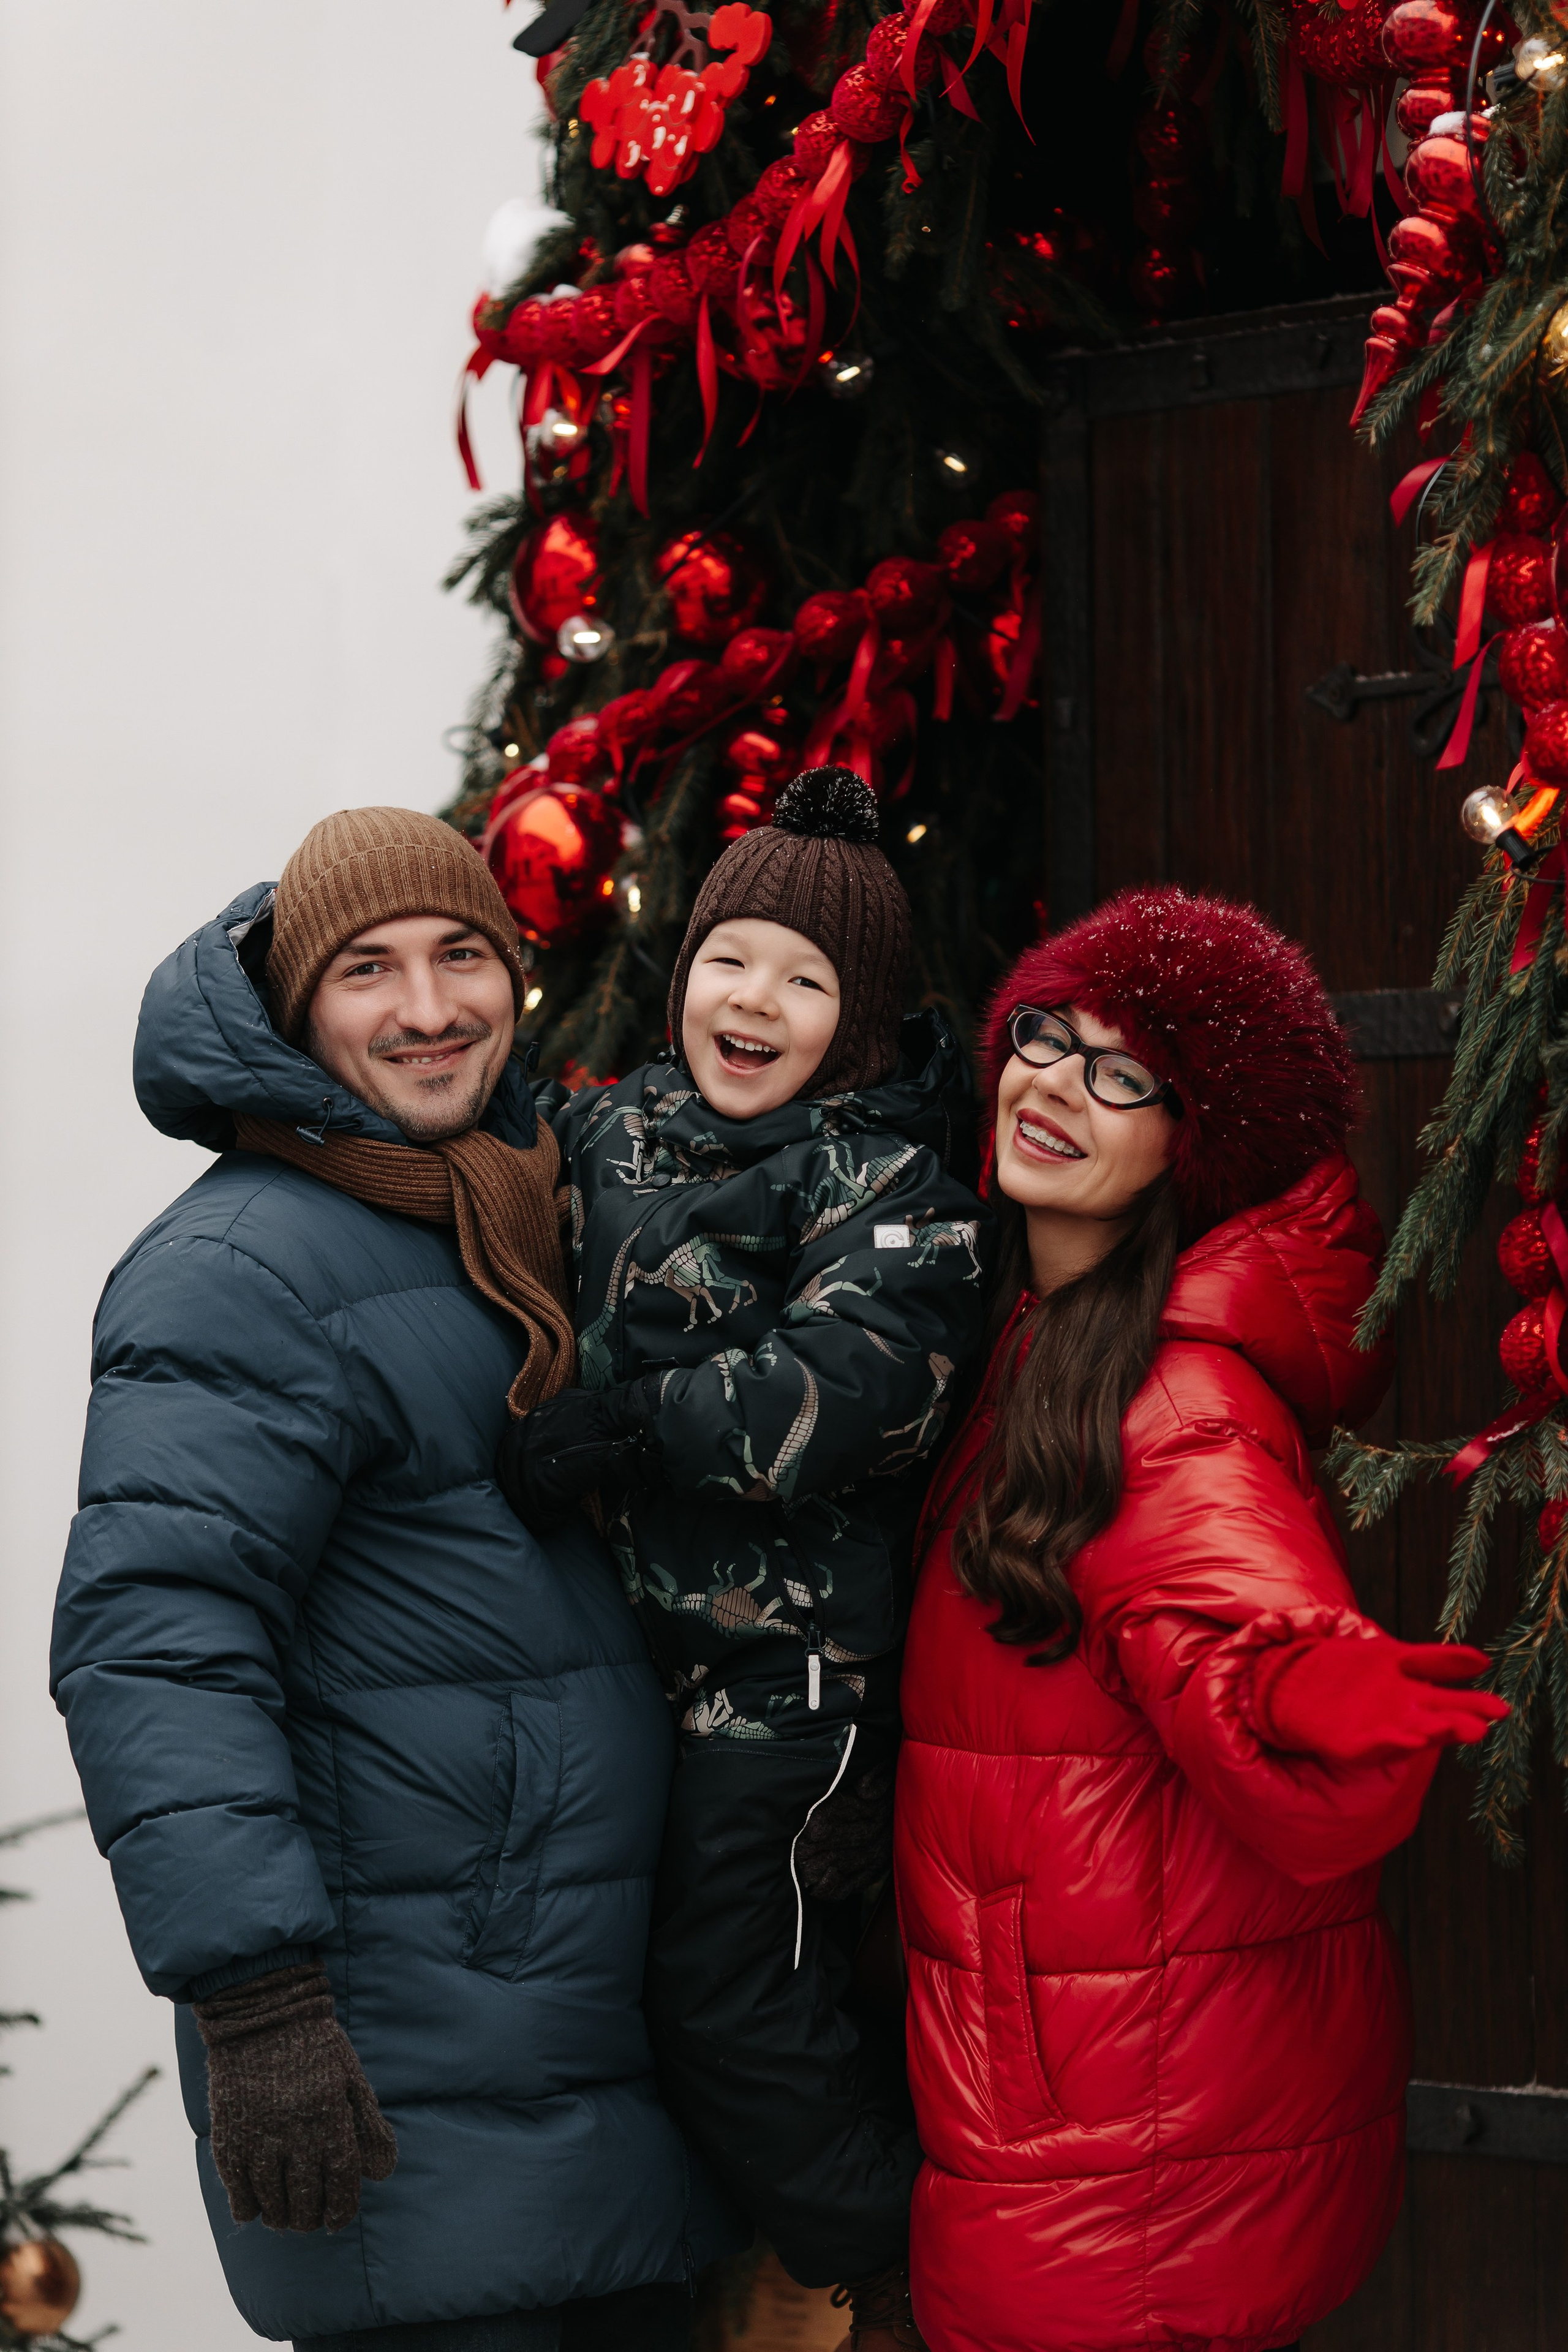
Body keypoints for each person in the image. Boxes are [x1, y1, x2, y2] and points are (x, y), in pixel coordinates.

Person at [51, 807, 739, 2352]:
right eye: (367, 970)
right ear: (298, 1008)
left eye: (459, 957)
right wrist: (257, 2001)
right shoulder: (241, 1271)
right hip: (405, 2078)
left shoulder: (510, 1215)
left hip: (582, 2052)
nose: (428, 1010)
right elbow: (155, 1641)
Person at [894, 886, 1509, 2352]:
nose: (1057, 1084)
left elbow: (1219, 1606)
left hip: (1124, 2167)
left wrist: (1299, 1691)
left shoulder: (1168, 1402)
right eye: (1044, 1037)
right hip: (1107, 2115)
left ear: (1195, 1145)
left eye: (1125, 1072)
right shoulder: (1030, 1337)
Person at [499, 769, 990, 2352]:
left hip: (788, 1684)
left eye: (804, 980)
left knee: (727, 1992)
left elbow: (850, 1385)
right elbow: (483, 1154)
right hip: (638, 1672)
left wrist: (633, 1425)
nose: (753, 1001)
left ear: (859, 1025)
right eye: (728, 959)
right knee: (640, 1987)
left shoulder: (890, 1183)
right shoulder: (611, 1126)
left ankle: (909, 2277)